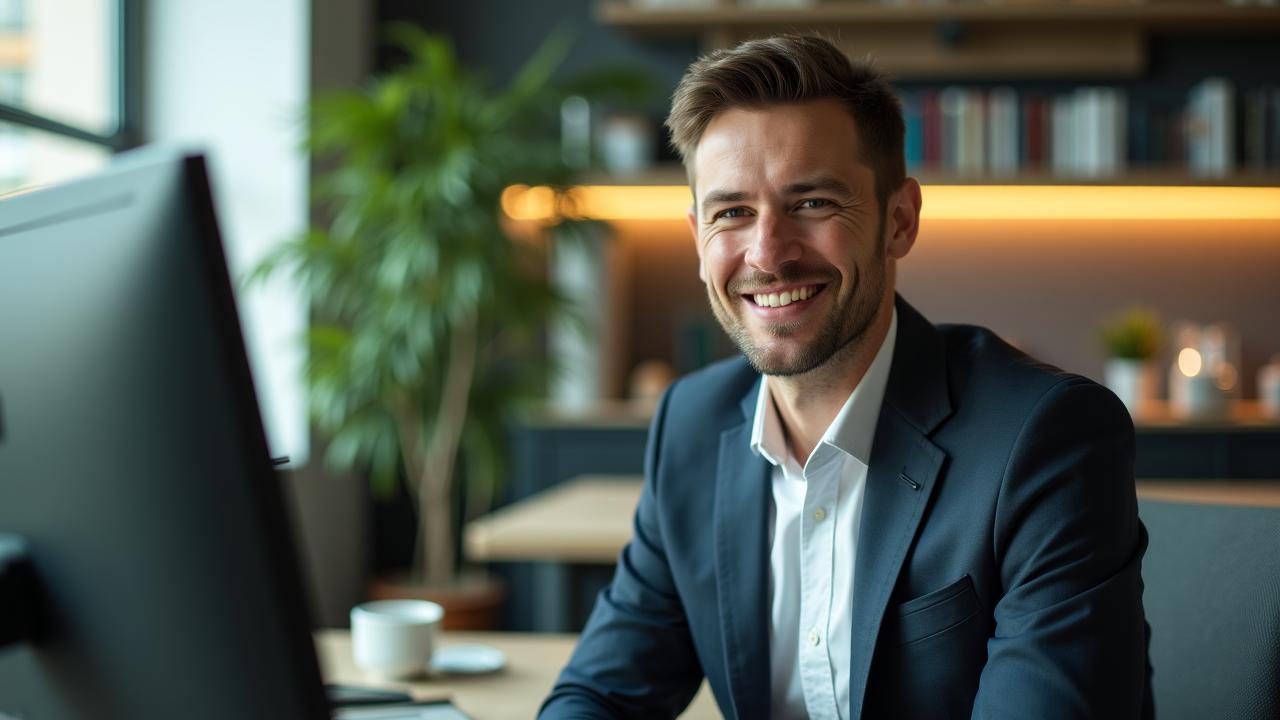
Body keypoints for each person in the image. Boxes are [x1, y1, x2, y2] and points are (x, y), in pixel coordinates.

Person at [539, 34, 1150, 720]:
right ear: (697, 238)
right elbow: (600, 694)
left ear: (899, 221)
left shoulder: (1046, 439)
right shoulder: (690, 425)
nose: (768, 254)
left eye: (813, 203)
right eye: (732, 212)